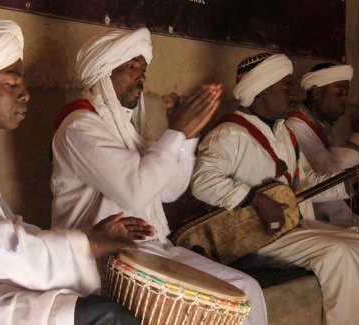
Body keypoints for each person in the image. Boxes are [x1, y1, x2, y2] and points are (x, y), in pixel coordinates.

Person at [0, 18, 155, 325]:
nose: (25, 94)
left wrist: (86, 238)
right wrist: (86, 246)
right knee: (107, 316)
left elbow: (5, 226)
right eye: (10, 83)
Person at [51, 27, 268, 325]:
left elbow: (168, 191)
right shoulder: (80, 126)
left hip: (150, 249)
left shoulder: (131, 128)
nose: (141, 77)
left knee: (246, 291)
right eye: (131, 67)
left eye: (144, 69)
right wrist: (175, 133)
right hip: (103, 258)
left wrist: (187, 137)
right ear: (104, 70)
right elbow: (133, 190)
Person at [191, 52, 359, 324]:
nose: (293, 95)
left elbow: (306, 185)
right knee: (338, 255)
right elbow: (202, 182)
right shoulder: (229, 133)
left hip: (290, 229)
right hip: (254, 238)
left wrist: (356, 177)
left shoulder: (283, 133)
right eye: (286, 87)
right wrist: (254, 199)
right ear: (263, 90)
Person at [285, 63, 359, 232]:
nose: (345, 100)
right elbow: (331, 177)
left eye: (346, 94)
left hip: (343, 219)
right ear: (316, 92)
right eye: (339, 93)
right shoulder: (295, 128)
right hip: (322, 225)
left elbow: (348, 164)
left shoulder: (325, 129)